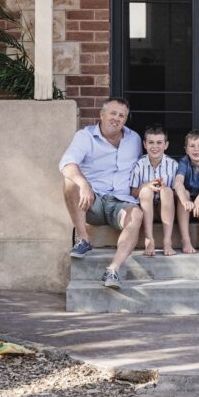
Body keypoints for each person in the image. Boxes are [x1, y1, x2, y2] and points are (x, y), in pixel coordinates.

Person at [59, 96, 143, 290]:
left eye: (122, 115)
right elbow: (66, 164)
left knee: (136, 214)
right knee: (70, 182)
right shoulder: (85, 136)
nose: (117, 118)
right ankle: (84, 239)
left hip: (121, 202)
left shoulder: (134, 139)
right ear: (102, 114)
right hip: (92, 201)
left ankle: (113, 269)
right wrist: (84, 184)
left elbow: (142, 167)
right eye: (113, 113)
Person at [130, 124, 178, 257]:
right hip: (146, 209)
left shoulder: (173, 165)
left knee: (167, 191)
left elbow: (177, 194)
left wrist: (164, 189)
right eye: (151, 142)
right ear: (145, 144)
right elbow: (133, 192)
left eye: (159, 143)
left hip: (166, 208)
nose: (155, 146)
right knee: (145, 191)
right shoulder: (139, 164)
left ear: (166, 145)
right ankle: (149, 239)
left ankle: (167, 241)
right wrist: (146, 185)